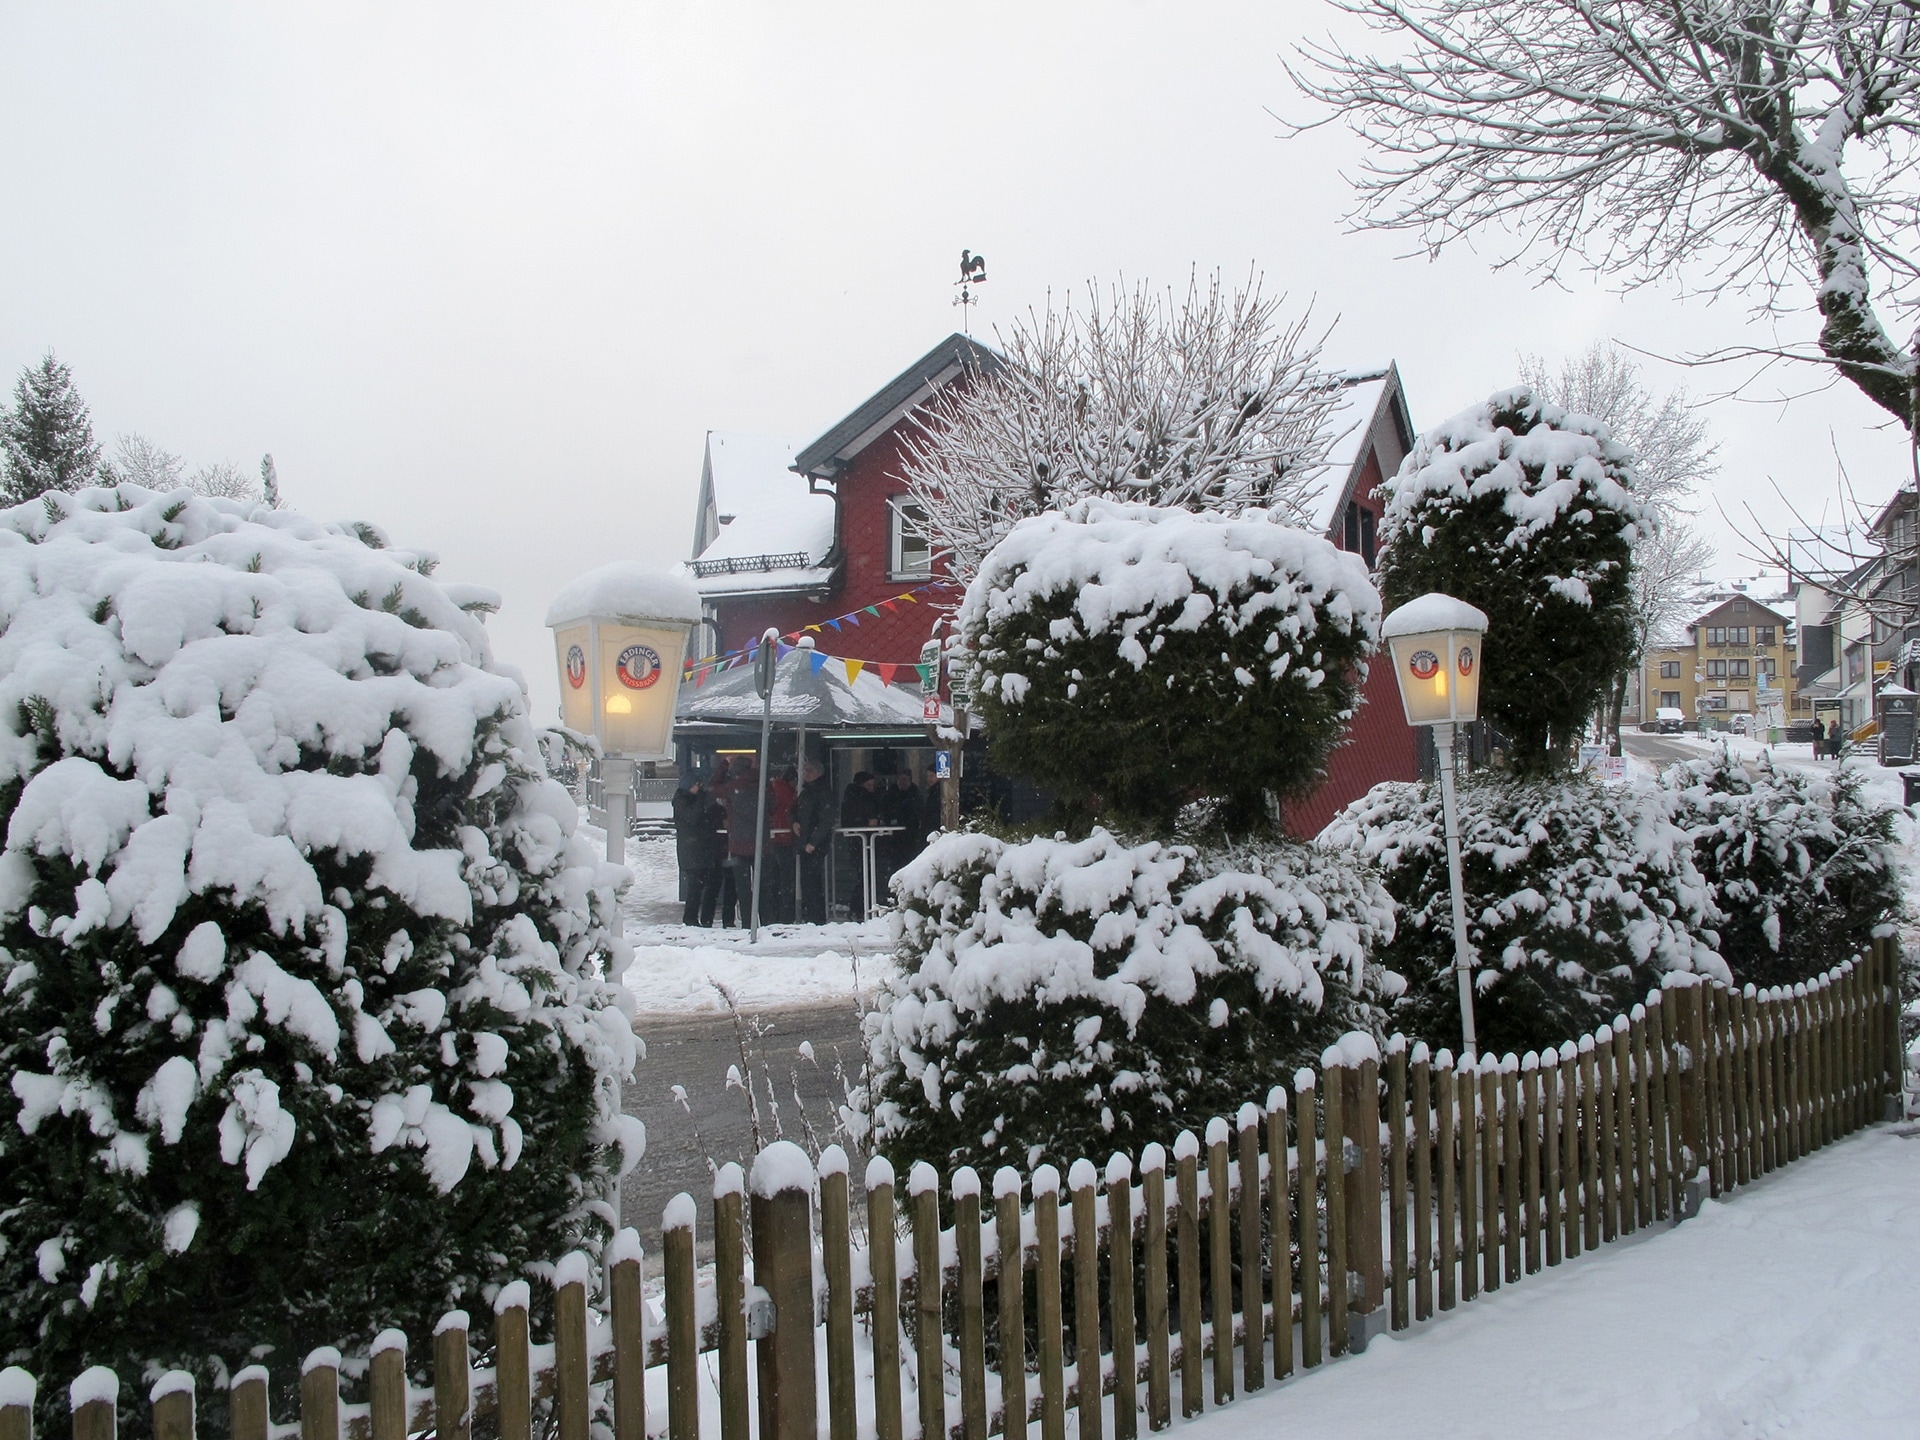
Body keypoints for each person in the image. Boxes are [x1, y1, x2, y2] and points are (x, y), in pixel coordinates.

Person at [670, 773, 726, 927]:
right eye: (696, 785)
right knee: (695, 887)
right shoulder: (681, 801)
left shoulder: (693, 799)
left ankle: (699, 918)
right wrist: (701, 799)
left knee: (702, 885)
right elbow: (693, 817)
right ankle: (690, 918)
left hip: (700, 849)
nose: (698, 788)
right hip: (691, 850)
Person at [716, 754, 760, 927]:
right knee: (762, 886)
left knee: (740, 887)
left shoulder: (734, 787)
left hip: (738, 844)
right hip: (759, 843)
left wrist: (723, 765)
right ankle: (768, 921)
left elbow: (712, 788)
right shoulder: (761, 785)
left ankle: (747, 923)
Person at [794, 759, 834, 924]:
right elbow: (796, 810)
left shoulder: (822, 791)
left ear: (818, 772)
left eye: (809, 771)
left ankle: (816, 916)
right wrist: (794, 821)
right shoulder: (806, 791)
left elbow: (826, 820)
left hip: (814, 843)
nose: (806, 774)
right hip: (806, 841)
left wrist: (814, 841)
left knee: (813, 880)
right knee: (808, 880)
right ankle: (811, 914)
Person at [762, 764, 798, 923]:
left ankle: (772, 916)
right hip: (784, 839)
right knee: (786, 881)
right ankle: (786, 916)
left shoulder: (772, 788)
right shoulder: (789, 793)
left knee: (772, 881)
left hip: (772, 839)